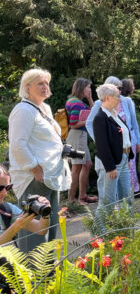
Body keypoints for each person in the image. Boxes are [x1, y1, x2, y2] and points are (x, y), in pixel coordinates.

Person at [8, 68, 71, 253]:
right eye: (40, 83)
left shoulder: (44, 109)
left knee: (50, 230)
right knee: (34, 238)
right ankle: (32, 277)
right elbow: (18, 145)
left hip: (50, 178)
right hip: (34, 180)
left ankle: (48, 275)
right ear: (27, 88)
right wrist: (35, 170)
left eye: (46, 83)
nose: (45, 87)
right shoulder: (23, 110)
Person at [93, 84, 134, 233]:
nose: (119, 99)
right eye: (117, 96)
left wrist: (128, 157)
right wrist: (110, 167)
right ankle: (101, 234)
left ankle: (127, 230)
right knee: (107, 201)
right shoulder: (100, 117)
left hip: (122, 159)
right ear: (108, 98)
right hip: (110, 164)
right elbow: (102, 145)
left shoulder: (114, 114)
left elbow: (124, 137)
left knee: (126, 197)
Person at [0, 165, 51, 245]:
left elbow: (41, 229)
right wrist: (15, 227)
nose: (5, 193)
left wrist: (45, 213)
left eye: (7, 187)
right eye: (0, 188)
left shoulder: (7, 208)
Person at [65, 78, 96, 205]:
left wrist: (89, 99)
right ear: (81, 88)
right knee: (76, 168)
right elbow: (73, 124)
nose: (90, 90)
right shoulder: (76, 103)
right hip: (76, 137)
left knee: (87, 164)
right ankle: (71, 201)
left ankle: (82, 196)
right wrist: (89, 120)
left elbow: (94, 111)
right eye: (88, 87)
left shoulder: (78, 101)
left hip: (81, 137)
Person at [120, 78, 140, 198]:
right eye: (132, 85)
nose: (134, 87)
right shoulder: (127, 101)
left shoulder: (122, 100)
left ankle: (130, 188)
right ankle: (133, 189)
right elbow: (134, 122)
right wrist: (137, 140)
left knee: (128, 163)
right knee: (131, 163)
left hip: (127, 136)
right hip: (129, 137)